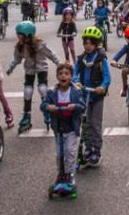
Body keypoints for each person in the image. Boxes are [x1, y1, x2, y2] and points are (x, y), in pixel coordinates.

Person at [7, 21, 61, 133]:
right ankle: (26, 115)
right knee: (27, 90)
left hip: (41, 67)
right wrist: (11, 67)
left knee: (42, 89)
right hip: (29, 68)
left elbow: (50, 54)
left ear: (27, 34)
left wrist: (59, 64)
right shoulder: (20, 46)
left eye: (19, 34)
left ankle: (47, 111)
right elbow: (17, 58)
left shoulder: (39, 44)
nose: (17, 36)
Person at [41, 62, 85, 197]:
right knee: (59, 153)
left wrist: (74, 106)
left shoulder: (76, 92)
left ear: (71, 77)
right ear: (57, 76)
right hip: (58, 128)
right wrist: (49, 107)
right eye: (60, 74)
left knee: (70, 151)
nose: (63, 76)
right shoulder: (52, 92)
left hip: (71, 127)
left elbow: (82, 107)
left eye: (66, 74)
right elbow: (43, 105)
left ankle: (69, 174)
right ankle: (61, 174)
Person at [73, 27, 111, 167]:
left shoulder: (101, 59)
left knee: (95, 124)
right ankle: (87, 149)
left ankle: (96, 150)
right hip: (83, 95)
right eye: (85, 43)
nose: (87, 46)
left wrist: (102, 87)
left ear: (96, 44)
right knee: (85, 123)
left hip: (96, 96)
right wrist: (76, 81)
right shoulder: (81, 59)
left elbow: (107, 77)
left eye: (90, 43)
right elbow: (75, 73)